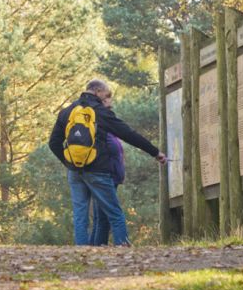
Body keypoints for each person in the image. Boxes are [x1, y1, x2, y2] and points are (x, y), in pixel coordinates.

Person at [48, 80, 167, 246]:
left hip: (74, 171)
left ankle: (82, 253)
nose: (108, 98)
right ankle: (122, 248)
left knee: (80, 214)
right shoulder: (100, 112)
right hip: (98, 170)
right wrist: (155, 152)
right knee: (114, 212)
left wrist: (69, 162)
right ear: (97, 91)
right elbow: (128, 134)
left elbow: (53, 143)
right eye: (107, 94)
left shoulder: (67, 112)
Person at [90, 94, 124, 246]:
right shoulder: (102, 130)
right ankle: (113, 245)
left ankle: (94, 248)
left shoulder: (110, 132)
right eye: (108, 107)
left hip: (111, 177)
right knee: (105, 217)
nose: (111, 111)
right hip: (106, 177)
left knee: (100, 217)